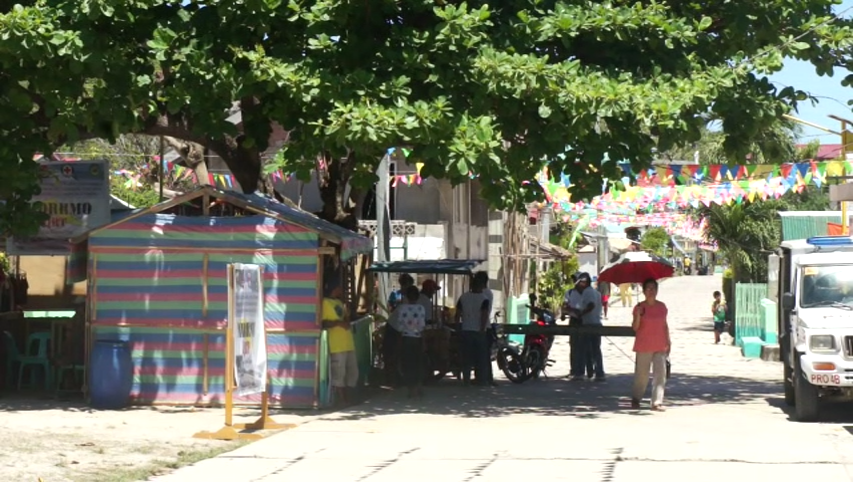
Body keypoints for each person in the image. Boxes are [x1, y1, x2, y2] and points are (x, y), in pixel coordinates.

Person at [631, 278, 671, 411]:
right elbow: (635, 327)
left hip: (660, 344)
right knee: (642, 375)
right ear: (643, 291)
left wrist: (668, 340)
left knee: (660, 374)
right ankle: (636, 398)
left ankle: (656, 402)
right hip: (644, 345)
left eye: (653, 288)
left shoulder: (662, 307)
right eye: (648, 288)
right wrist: (638, 315)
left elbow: (664, 325)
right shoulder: (639, 307)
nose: (651, 291)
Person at [564, 272, 605, 381]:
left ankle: (587, 372)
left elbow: (591, 305)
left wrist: (581, 314)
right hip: (594, 322)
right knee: (594, 349)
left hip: (588, 323)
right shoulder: (596, 293)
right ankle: (596, 372)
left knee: (586, 349)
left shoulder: (587, 292)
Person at [322, 284, 359, 405]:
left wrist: (347, 315)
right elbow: (323, 322)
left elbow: (345, 320)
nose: (341, 290)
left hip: (348, 342)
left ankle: (350, 396)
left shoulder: (338, 302)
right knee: (339, 373)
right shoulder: (324, 302)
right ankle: (342, 399)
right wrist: (338, 323)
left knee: (352, 371)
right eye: (339, 288)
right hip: (337, 344)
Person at [390, 285, 427, 398]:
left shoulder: (401, 308)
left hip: (405, 338)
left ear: (406, 296)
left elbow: (399, 326)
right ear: (418, 297)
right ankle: (419, 386)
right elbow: (422, 326)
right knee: (418, 364)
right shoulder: (421, 308)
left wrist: (398, 342)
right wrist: (424, 341)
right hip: (417, 338)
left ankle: (412, 390)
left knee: (408, 365)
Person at [455, 276, 491, 386]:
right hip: (478, 331)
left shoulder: (463, 297)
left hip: (466, 329)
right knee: (481, 357)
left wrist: (458, 327)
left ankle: (466, 379)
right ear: (481, 286)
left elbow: (458, 314)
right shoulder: (484, 299)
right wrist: (482, 329)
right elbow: (484, 315)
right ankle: (481, 380)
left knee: (467, 356)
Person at [383, 273, 413, 386]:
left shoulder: (407, 299)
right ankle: (392, 379)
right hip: (394, 328)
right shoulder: (401, 298)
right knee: (393, 354)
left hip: (397, 328)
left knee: (396, 354)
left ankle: (396, 379)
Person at [474, 271, 497, 385]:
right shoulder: (488, 293)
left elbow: (482, 311)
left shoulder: (483, 294)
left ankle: (484, 377)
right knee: (483, 354)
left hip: (482, 326)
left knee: (482, 354)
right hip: (484, 325)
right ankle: (485, 377)